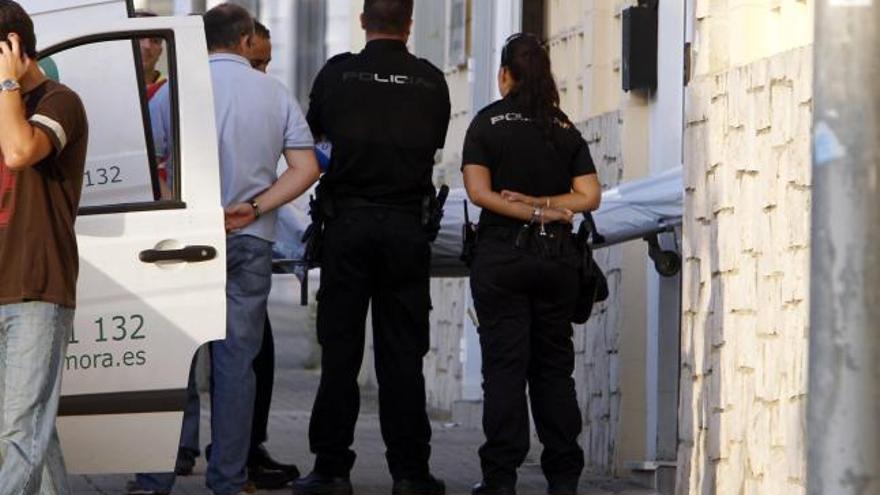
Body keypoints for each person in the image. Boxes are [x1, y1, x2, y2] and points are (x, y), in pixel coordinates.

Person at [129, 5, 321, 495]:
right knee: (237, 363)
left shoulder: (171, 92)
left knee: (172, 359)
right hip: (249, 239)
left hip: (178, 241)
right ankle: (228, 479)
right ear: (243, 41)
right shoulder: (274, 94)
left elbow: (148, 168)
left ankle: (155, 477)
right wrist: (253, 208)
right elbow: (304, 169)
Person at [292, 1, 450, 494]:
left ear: (363, 22)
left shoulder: (338, 75)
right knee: (402, 354)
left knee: (340, 350)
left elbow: (313, 136)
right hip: (406, 228)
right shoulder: (431, 81)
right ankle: (410, 472)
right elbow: (435, 143)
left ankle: (332, 469)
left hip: (347, 226)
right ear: (409, 25)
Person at [460, 33, 602, 495]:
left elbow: (479, 193)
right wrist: (546, 209)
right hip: (556, 259)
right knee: (553, 369)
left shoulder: (486, 123)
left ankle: (500, 478)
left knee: (505, 367)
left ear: (505, 75)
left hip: (502, 255)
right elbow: (589, 196)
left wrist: (526, 207)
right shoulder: (562, 127)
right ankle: (563, 477)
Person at [0, 1, 89, 493]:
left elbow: (18, 153)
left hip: (36, 285)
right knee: (32, 427)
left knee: (19, 431)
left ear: (14, 48)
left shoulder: (59, 102)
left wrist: (8, 85)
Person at [133, 9, 167, 100]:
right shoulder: (110, 88)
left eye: (155, 40)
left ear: (160, 51)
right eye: (140, 38)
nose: (147, 46)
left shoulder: (169, 89)